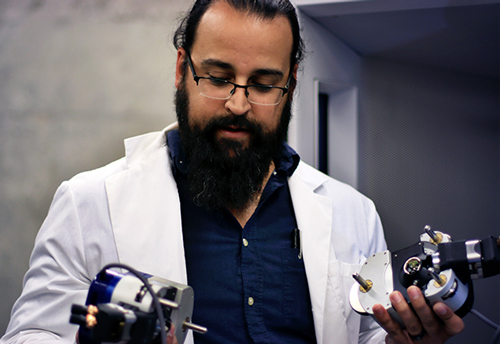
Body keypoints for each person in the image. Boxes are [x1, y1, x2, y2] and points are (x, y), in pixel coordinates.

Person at [1, 0, 465, 343]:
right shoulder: (91, 202)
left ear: (291, 85)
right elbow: (31, 334)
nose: (238, 104)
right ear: (182, 68)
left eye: (264, 84)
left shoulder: (353, 213)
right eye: (219, 78)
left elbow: (367, 334)